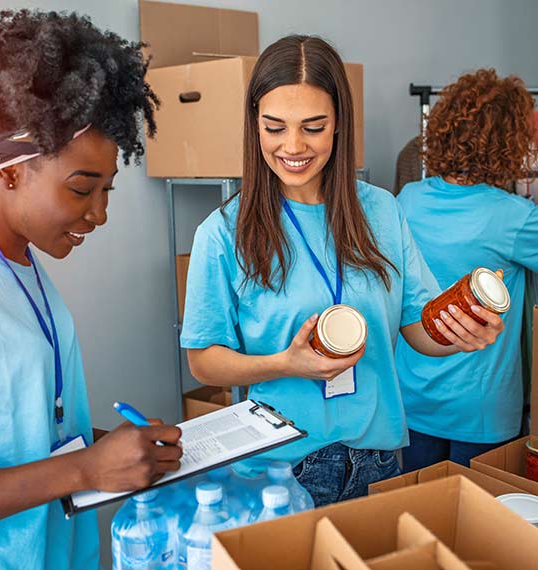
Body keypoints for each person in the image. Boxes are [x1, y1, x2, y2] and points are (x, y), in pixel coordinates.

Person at [180, 36, 504, 507]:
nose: (293, 146)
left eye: (313, 127)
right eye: (274, 128)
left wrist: (460, 330)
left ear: (339, 126)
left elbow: (418, 329)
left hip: (380, 459)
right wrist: (284, 364)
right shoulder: (222, 233)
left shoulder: (383, 213)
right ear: (254, 127)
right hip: (279, 467)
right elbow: (203, 359)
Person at [0, 9, 182, 569]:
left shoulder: (20, 261)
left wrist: (109, 448)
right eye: (80, 190)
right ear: (10, 171)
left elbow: (19, 422)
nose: (99, 213)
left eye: (108, 190)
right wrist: (87, 469)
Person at [395, 69, 538, 470]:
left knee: (417, 520)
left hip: (414, 396)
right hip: (481, 408)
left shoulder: (408, 199)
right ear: (511, 142)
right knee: (477, 527)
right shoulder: (514, 216)